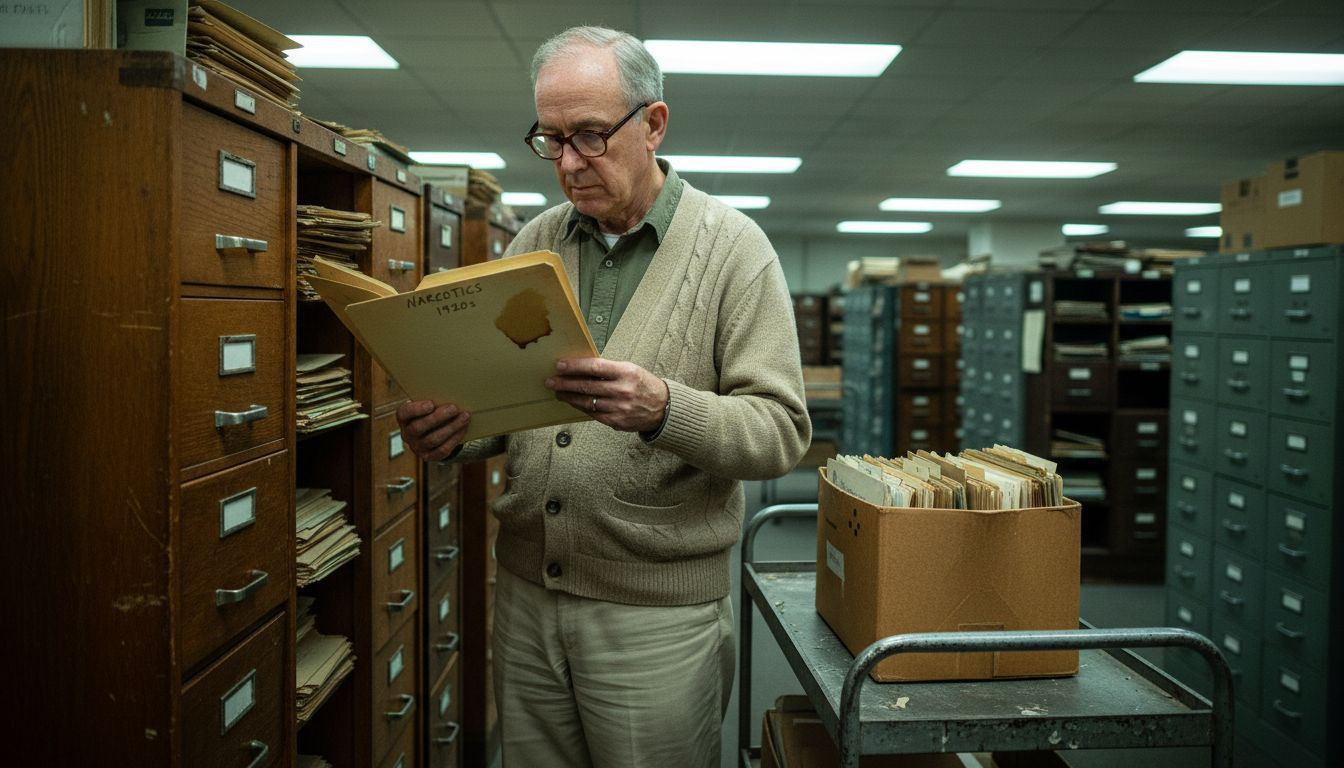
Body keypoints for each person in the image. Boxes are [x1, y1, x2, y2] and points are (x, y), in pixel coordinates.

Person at [396, 25, 811, 768]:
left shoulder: (734, 249)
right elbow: (513, 401)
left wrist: (664, 410)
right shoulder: (535, 241)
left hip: (655, 615)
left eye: (589, 135)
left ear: (653, 124)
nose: (567, 162)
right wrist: (457, 431)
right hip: (526, 594)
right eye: (550, 140)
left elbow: (781, 432)